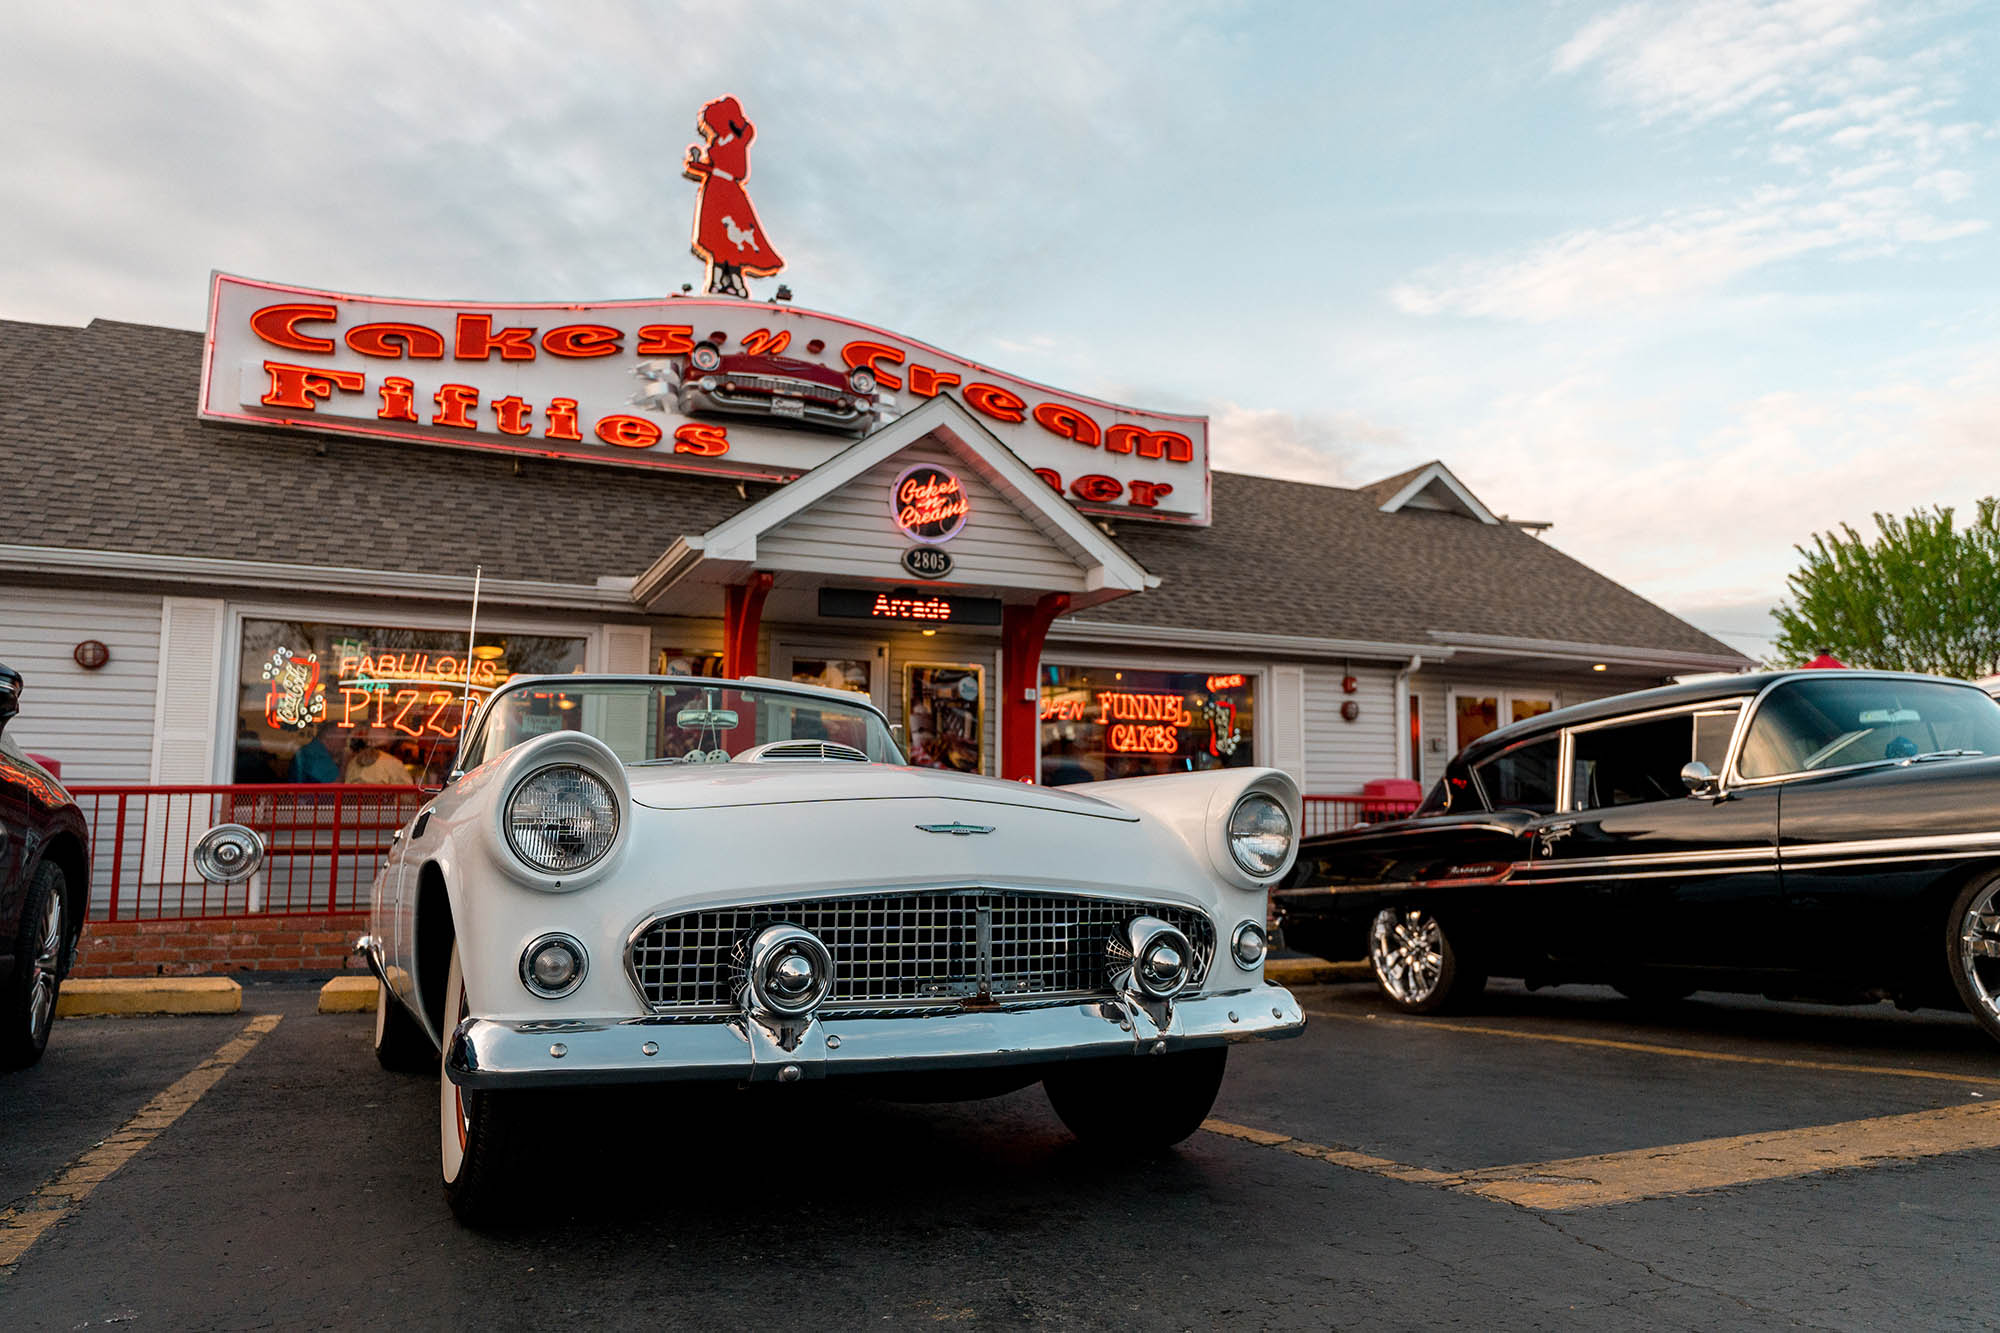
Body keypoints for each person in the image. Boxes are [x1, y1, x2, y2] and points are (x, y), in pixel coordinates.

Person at [345, 734, 413, 785]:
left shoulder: (352, 763)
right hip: (384, 803)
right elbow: (409, 797)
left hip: (356, 803)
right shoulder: (393, 763)